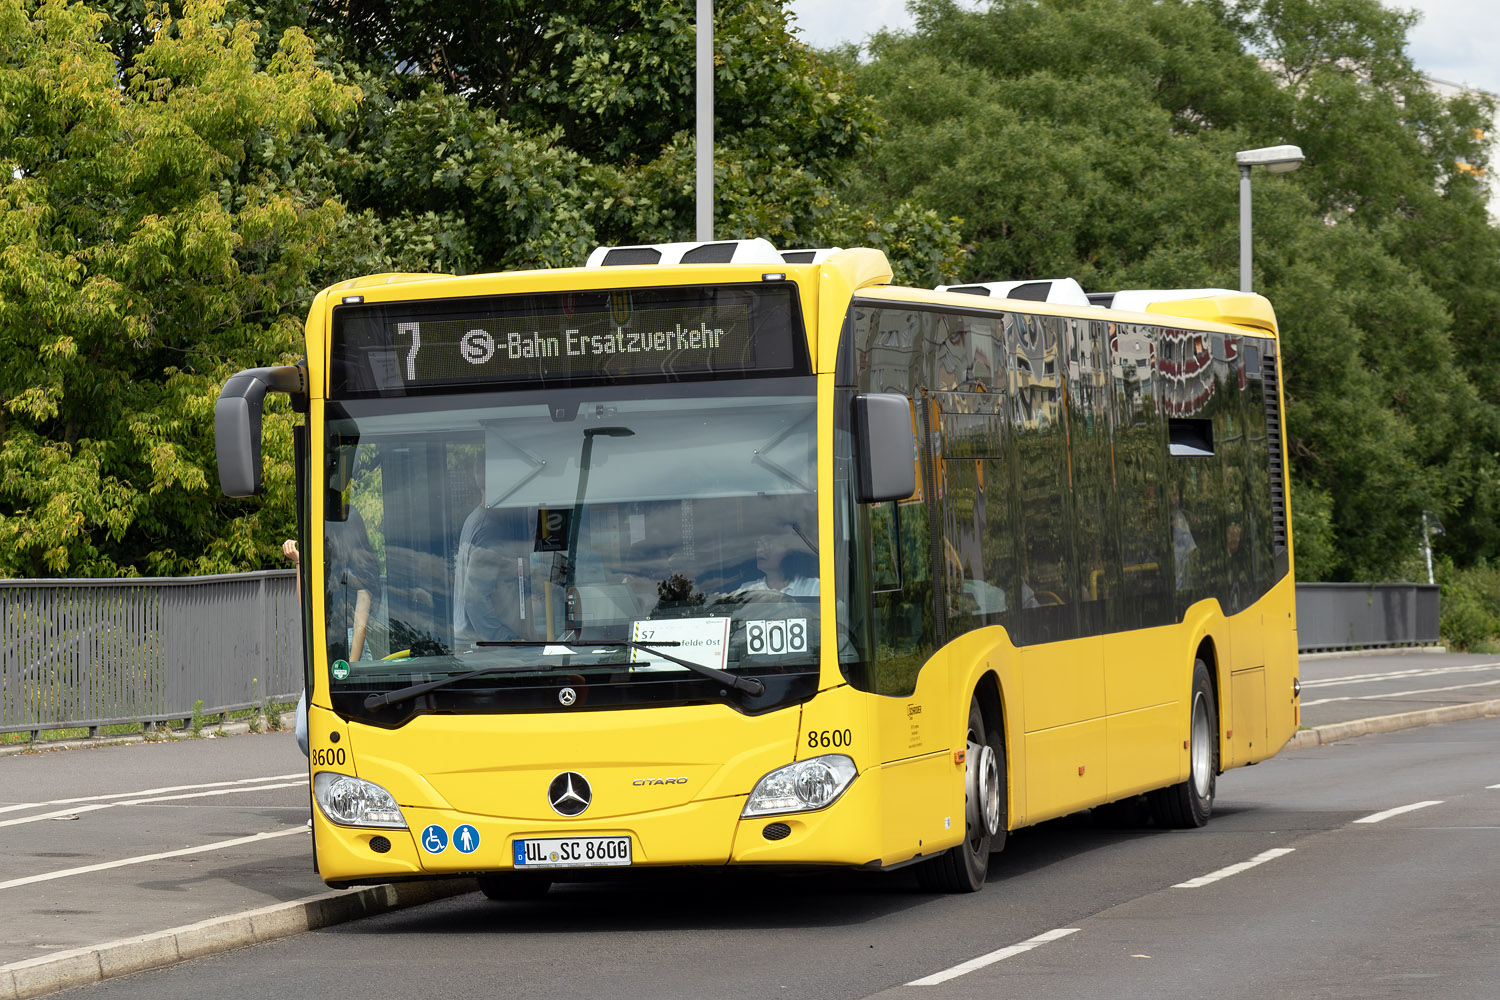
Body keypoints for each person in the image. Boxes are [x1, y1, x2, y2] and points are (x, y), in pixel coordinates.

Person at [736, 525, 820, 597]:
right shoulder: (747, 590)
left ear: (789, 551)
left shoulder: (814, 587)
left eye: (768, 544)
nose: (760, 550)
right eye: (758, 544)